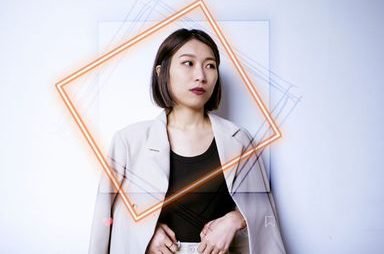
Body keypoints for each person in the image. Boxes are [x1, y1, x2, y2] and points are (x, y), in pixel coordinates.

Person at [89, 28, 286, 254]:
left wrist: (235, 219)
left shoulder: (239, 140)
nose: (201, 75)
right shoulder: (128, 141)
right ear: (162, 72)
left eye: (210, 65)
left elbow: (265, 214)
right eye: (188, 63)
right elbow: (105, 217)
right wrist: (144, 233)